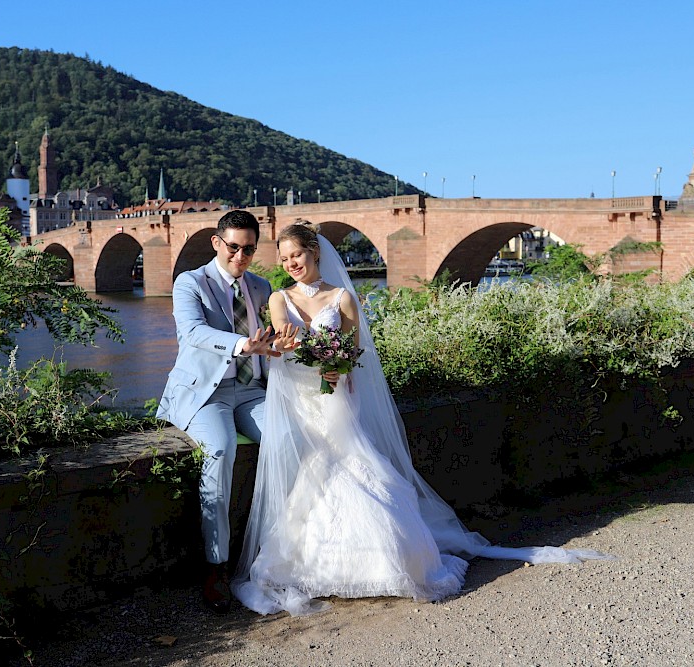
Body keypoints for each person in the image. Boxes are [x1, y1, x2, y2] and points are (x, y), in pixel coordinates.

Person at [232, 221, 613, 616]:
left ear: (314, 252)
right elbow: (284, 337)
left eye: (297, 254)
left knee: (350, 463)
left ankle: (389, 560)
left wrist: (338, 369)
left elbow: (354, 357)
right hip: (303, 400)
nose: (291, 262)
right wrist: (287, 344)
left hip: (336, 399)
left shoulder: (343, 298)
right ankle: (315, 562)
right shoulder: (279, 298)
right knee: (317, 469)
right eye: (285, 257)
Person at [156, 209, 276, 613]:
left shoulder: (261, 286)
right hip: (207, 393)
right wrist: (243, 345)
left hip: (253, 390)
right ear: (216, 243)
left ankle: (282, 549)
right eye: (234, 247)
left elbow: (275, 340)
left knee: (287, 440)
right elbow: (192, 332)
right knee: (221, 450)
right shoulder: (190, 282)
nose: (241, 257)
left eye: (249, 249)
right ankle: (216, 565)